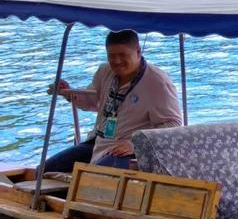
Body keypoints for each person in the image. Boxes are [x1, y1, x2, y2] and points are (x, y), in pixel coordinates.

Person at [46, 29, 182, 172]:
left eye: (123, 55)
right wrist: (68, 93)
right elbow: (91, 102)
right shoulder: (104, 71)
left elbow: (172, 125)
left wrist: (135, 145)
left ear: (138, 51)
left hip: (128, 150)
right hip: (97, 143)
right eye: (111, 56)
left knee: (92, 178)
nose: (117, 61)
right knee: (45, 170)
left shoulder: (157, 82)